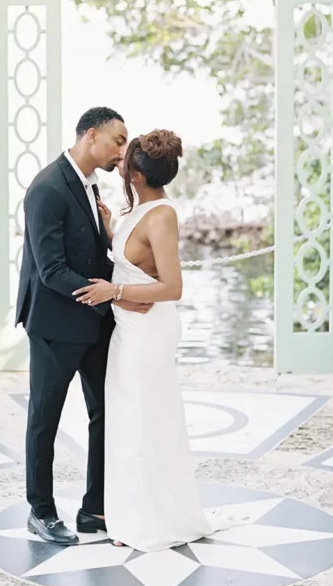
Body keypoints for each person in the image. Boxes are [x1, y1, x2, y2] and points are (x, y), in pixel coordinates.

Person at [74, 130, 249, 551]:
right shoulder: (139, 208)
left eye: (123, 159)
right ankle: (133, 513)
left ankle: (146, 523)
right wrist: (110, 227)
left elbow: (172, 287)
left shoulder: (162, 215)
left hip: (148, 334)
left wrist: (113, 292)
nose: (117, 161)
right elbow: (137, 259)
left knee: (140, 423)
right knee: (131, 422)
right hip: (130, 329)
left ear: (136, 173)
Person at [16, 107, 152, 545]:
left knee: (105, 414)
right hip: (56, 326)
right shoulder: (47, 189)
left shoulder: (89, 185)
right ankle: (41, 511)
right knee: (44, 420)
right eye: (117, 140)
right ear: (91, 135)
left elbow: (93, 255)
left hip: (95, 325)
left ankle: (95, 508)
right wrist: (106, 295)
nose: (122, 151)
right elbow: (50, 269)